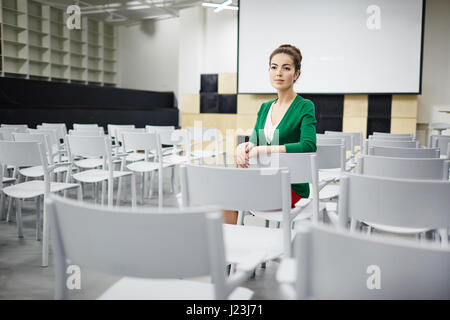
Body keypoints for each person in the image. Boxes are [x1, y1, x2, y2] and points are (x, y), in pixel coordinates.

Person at [224, 44, 317, 224]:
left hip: (291, 187)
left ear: (296, 74)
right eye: (274, 67)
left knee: (230, 195)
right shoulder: (265, 107)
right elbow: (254, 141)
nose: (278, 73)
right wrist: (241, 147)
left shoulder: (305, 106)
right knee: (223, 195)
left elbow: (308, 146)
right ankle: (233, 248)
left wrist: (264, 150)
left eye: (286, 68)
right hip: (264, 180)